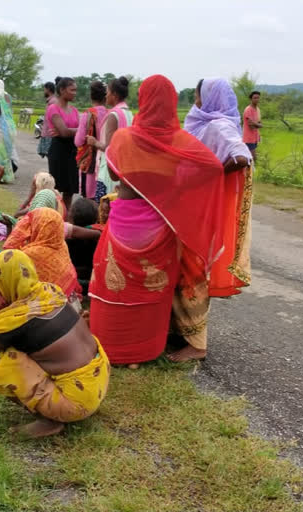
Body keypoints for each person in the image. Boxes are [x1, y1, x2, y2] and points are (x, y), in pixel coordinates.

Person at [89, 75, 224, 367]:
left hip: (125, 220)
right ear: (173, 104)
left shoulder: (125, 138)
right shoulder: (180, 142)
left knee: (116, 284)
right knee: (153, 285)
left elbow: (114, 175)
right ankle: (144, 348)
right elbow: (212, 167)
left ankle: (112, 344)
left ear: (144, 101)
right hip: (159, 223)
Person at [0, 249, 110, 438]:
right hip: (98, 380)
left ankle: (49, 420)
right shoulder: (51, 291)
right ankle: (58, 402)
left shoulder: (14, 319)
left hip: (76, 403)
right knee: (25, 347)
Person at [176, 78, 253, 362]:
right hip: (191, 204)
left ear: (208, 97)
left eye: (198, 93)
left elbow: (242, 157)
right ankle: (183, 331)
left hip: (201, 208)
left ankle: (197, 344)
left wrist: (213, 176)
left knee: (194, 271)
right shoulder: (203, 122)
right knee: (183, 267)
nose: (195, 98)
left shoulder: (218, 125)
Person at [3, 207, 83, 306]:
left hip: (50, 308)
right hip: (71, 303)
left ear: (38, 226)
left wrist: (9, 229)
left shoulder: (30, 254)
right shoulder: (60, 244)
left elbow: (6, 261)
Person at [87, 76, 134, 201]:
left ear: (114, 95)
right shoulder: (129, 113)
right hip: (124, 168)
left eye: (107, 92)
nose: (106, 95)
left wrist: (94, 142)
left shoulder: (113, 115)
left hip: (109, 172)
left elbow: (109, 147)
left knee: (104, 208)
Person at [47, 77, 80, 210]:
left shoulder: (74, 110)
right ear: (62, 90)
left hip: (73, 151)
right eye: (72, 90)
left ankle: (65, 219)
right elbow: (64, 132)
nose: (75, 93)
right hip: (58, 151)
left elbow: (66, 131)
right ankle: (53, 215)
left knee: (69, 189)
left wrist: (69, 131)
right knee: (55, 188)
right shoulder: (53, 108)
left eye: (75, 90)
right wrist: (78, 131)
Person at [74, 81, 108, 199]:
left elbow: (78, 141)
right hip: (105, 161)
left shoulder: (87, 114)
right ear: (106, 97)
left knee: (89, 197)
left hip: (90, 162)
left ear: (91, 96)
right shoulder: (111, 114)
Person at [37, 81, 58, 158]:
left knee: (50, 156)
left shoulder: (53, 102)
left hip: (50, 134)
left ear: (48, 89)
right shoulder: (51, 101)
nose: (44, 91)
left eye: (44, 89)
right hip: (48, 133)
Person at [243, 91, 263, 161]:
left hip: (255, 137)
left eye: (258, 98)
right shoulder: (248, 110)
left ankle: (250, 171)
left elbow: (260, 122)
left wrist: (255, 124)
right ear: (251, 99)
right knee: (253, 158)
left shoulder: (257, 109)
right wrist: (258, 125)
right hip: (248, 138)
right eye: (255, 98)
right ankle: (251, 171)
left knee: (251, 158)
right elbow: (251, 126)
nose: (257, 99)